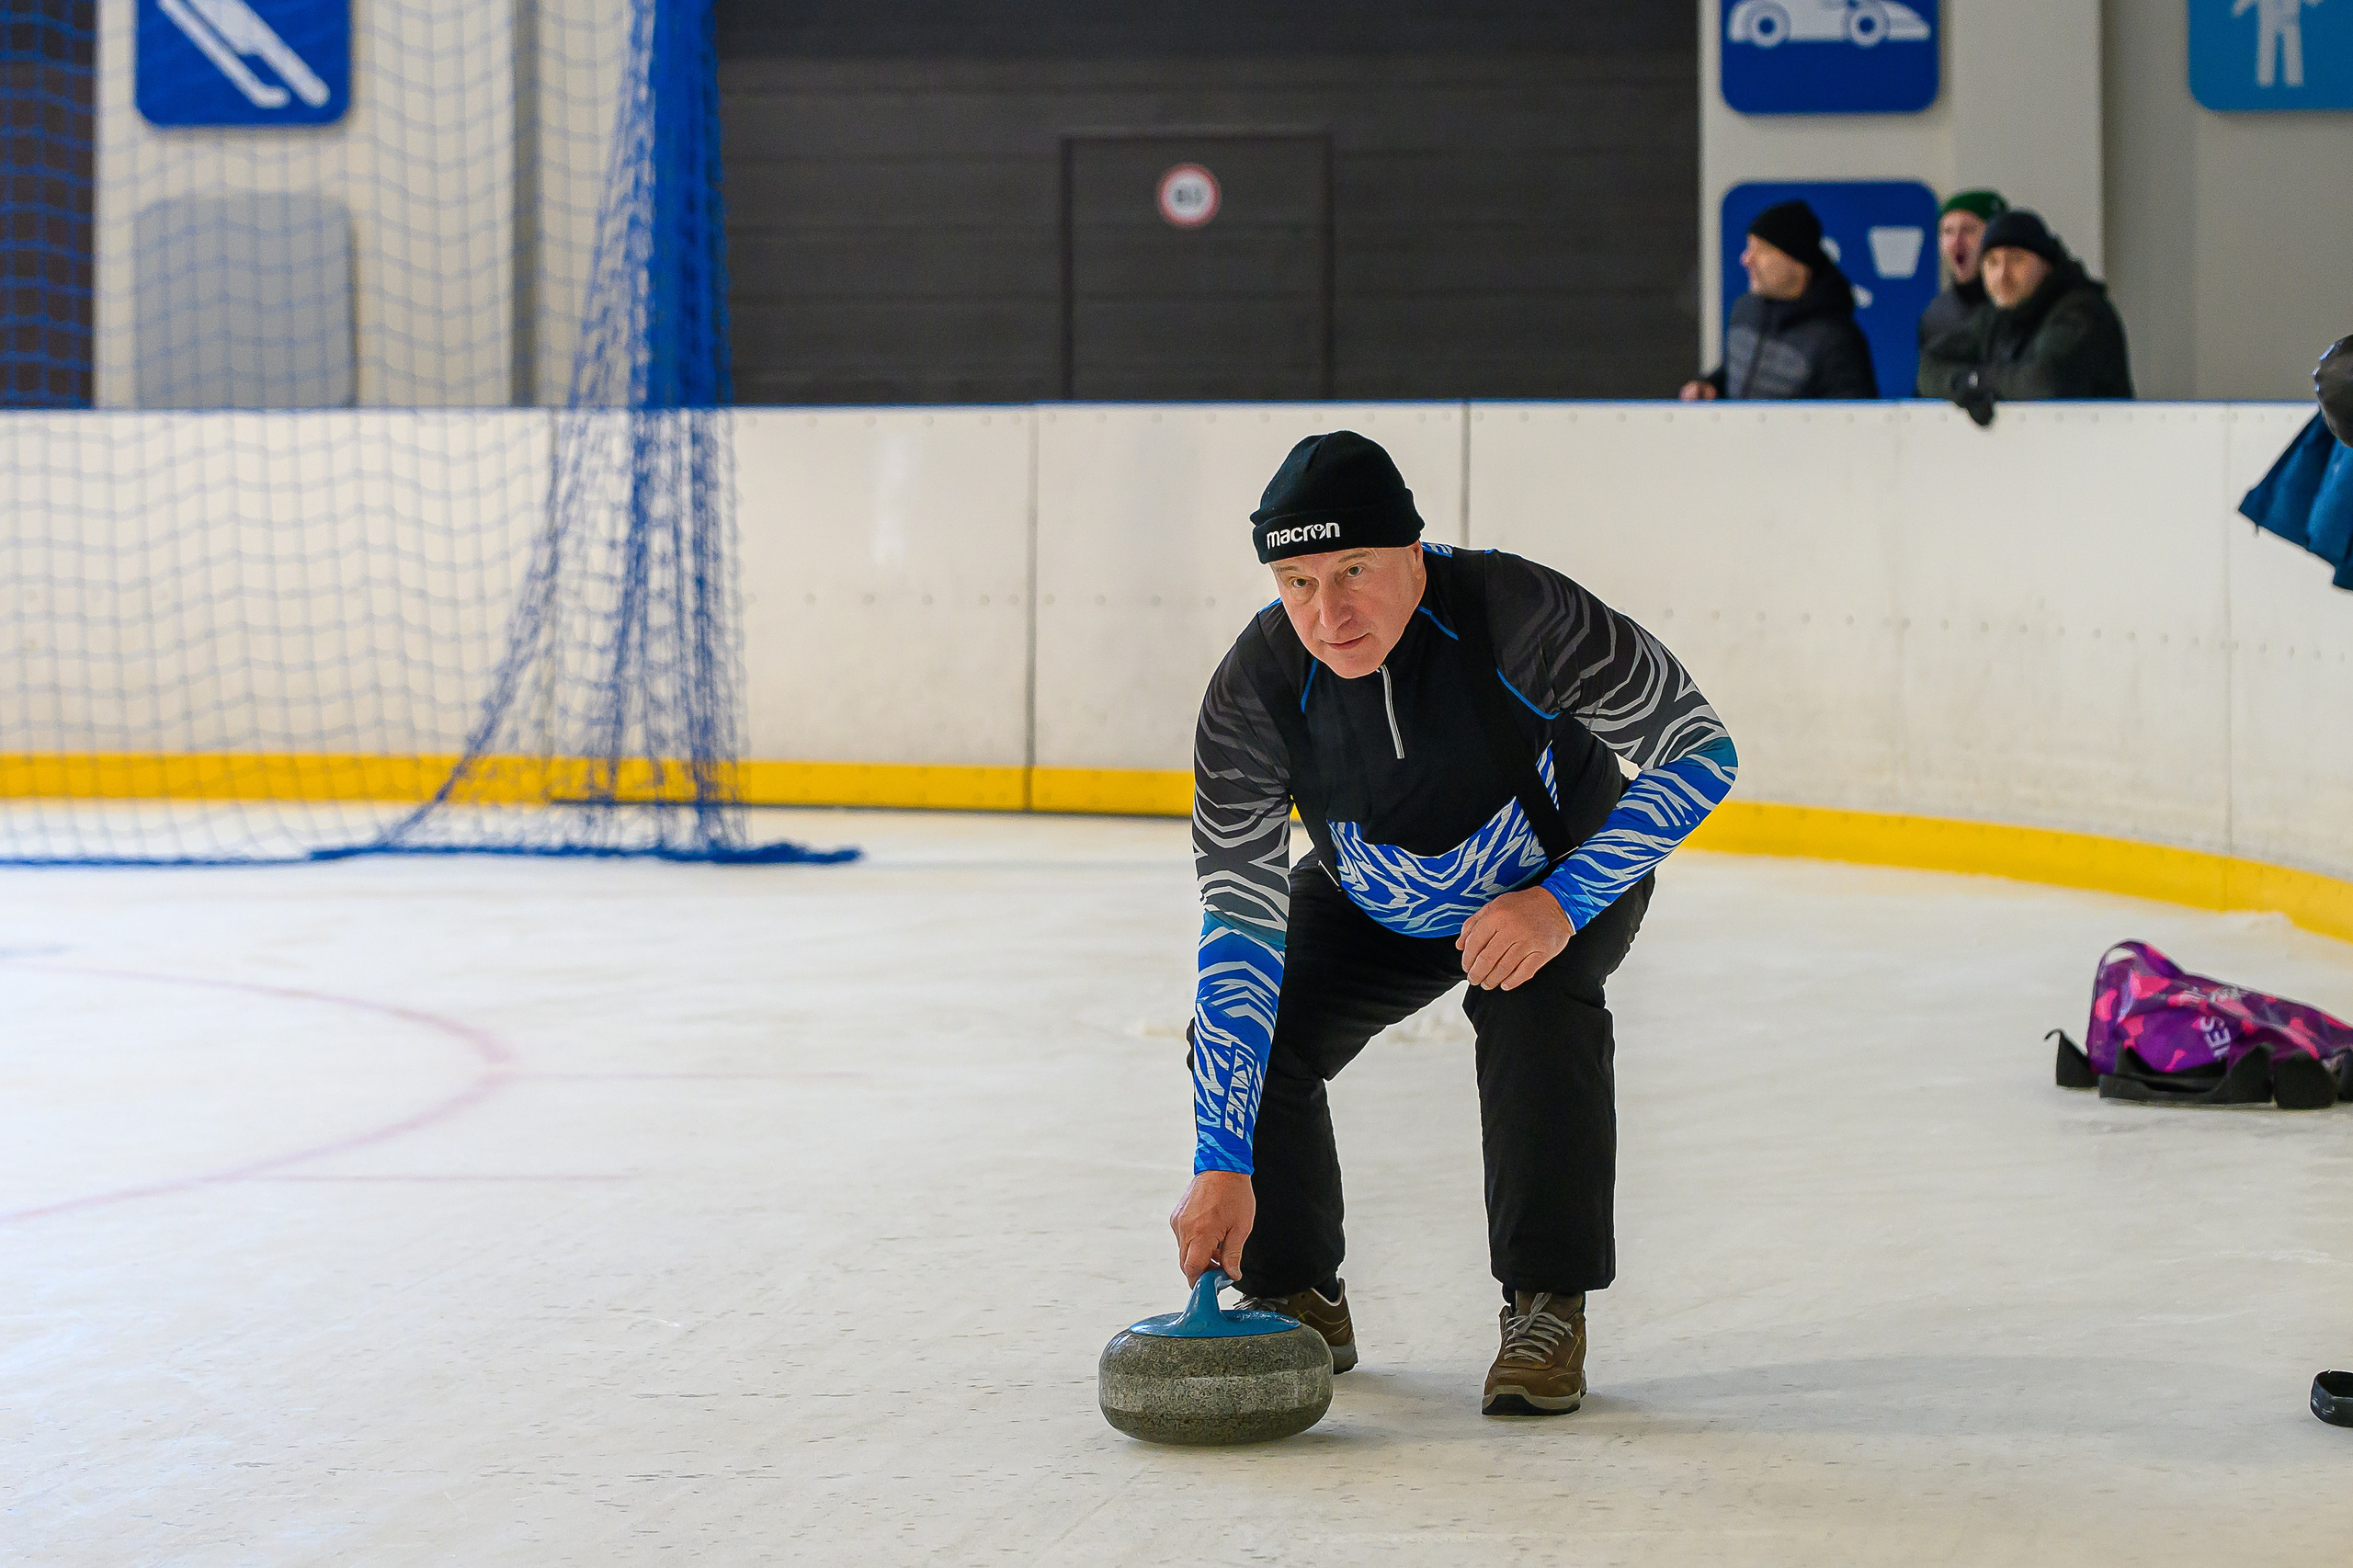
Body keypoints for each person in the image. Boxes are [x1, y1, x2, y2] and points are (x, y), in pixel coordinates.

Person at [1170, 431, 1738, 1416]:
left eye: (1352, 570)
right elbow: (1239, 928)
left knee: (1532, 1003)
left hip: (1560, 873)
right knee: (1259, 1034)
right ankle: (1299, 1285)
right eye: (1296, 581)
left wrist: (1559, 901)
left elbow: (1699, 750)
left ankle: (1543, 1303)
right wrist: (1221, 1159)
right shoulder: (1252, 689)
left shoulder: (1517, 613)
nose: (1327, 612)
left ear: (1412, 552)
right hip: (1371, 896)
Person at [1947, 210, 2133, 425]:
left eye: (2017, 260)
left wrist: (1979, 381)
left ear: (2045, 265)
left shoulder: (2082, 311)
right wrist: (1963, 384)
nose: (2002, 275)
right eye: (1992, 262)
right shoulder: (1993, 317)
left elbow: (2044, 380)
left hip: (2096, 448)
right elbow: (1929, 366)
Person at [1680, 199, 1876, 402]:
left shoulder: (1836, 341)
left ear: (1796, 262)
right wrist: (1711, 385)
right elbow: (1738, 369)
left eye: (1762, 250)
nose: (1747, 259)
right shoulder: (1745, 308)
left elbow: (1852, 419)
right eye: (1749, 248)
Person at [1915, 188, 2007, 398]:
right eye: (1947, 231)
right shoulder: (1936, 313)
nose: (1957, 241)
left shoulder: (2016, 304)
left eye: (1969, 230)